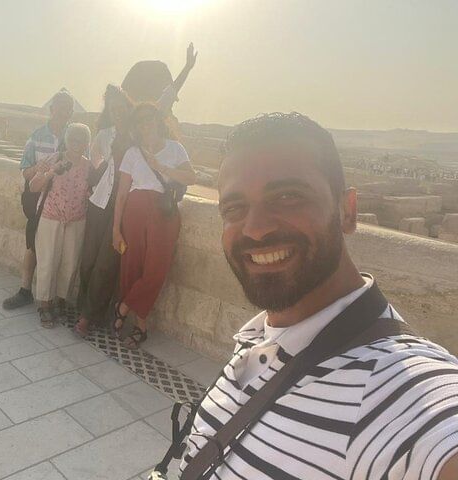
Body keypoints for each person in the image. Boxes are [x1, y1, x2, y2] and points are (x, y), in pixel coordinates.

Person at [180, 113, 458, 479]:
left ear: (347, 211)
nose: (256, 229)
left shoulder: (398, 390)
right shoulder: (259, 336)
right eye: (234, 209)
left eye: (287, 197)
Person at [112, 103, 196, 349]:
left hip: (164, 211)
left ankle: (122, 307)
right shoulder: (132, 152)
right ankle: (141, 326)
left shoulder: (175, 148)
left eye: (148, 118)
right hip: (135, 211)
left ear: (158, 120)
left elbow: (191, 177)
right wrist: (115, 229)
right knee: (132, 267)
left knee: (156, 271)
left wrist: (161, 167)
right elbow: (121, 194)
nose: (144, 123)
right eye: (139, 120)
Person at [2, 90, 75, 310]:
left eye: (68, 108)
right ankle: (25, 290)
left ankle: (55, 298)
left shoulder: (75, 138)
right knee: (33, 244)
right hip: (39, 200)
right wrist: (38, 169)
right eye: (60, 107)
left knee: (61, 250)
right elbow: (25, 171)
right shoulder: (36, 136)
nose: (63, 112)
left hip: (64, 202)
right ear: (52, 109)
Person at [73, 86, 134, 337]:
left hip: (122, 207)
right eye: (113, 108)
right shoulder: (103, 136)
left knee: (105, 264)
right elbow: (95, 166)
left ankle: (88, 316)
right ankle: (85, 308)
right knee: (88, 260)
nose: (117, 111)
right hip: (98, 203)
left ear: (128, 107)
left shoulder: (136, 136)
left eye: (121, 107)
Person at [29, 123, 92, 328]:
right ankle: (44, 304)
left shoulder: (89, 167)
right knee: (47, 262)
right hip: (51, 217)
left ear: (87, 143)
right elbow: (33, 186)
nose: (76, 142)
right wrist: (50, 173)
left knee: (70, 263)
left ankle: (61, 301)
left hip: (77, 220)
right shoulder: (54, 159)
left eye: (81, 139)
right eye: (73, 138)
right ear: (66, 139)